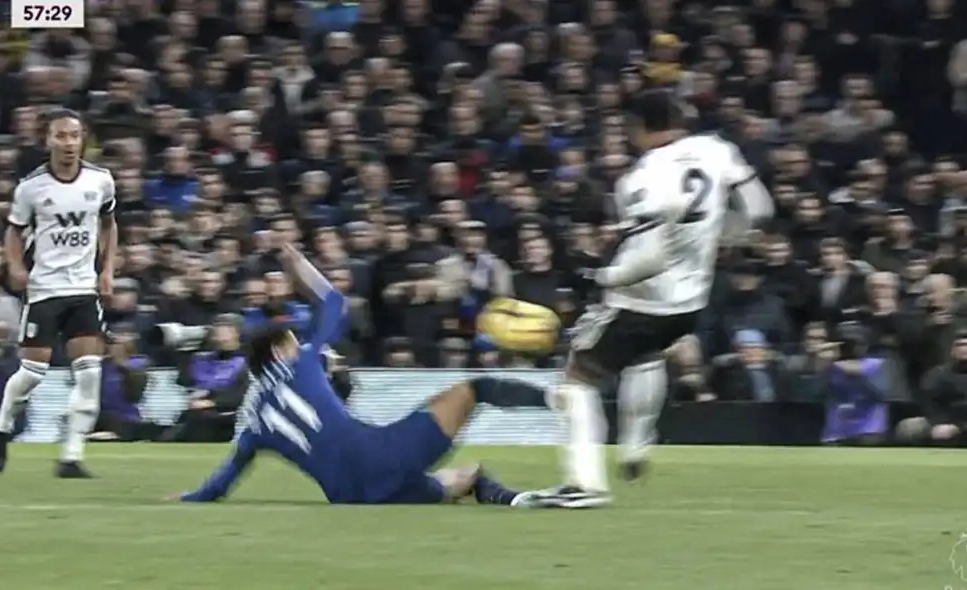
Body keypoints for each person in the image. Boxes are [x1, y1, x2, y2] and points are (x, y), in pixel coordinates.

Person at [173, 243, 550, 506]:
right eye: (292, 340)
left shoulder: (253, 425)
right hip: (383, 459)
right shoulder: (301, 362)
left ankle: (506, 495)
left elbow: (221, 484)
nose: (299, 343)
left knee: (459, 478)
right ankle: (555, 399)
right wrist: (299, 264)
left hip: (350, 495)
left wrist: (189, 497)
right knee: (475, 389)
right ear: (279, 351)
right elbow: (334, 302)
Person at [539, 90, 775, 508]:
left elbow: (649, 257)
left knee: (575, 380)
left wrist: (601, 276)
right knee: (647, 357)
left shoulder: (643, 176)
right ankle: (634, 447)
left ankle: (585, 485)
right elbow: (759, 209)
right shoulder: (715, 148)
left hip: (640, 298)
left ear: (639, 126)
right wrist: (722, 238)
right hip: (690, 300)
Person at [0, 109, 117, 478]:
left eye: (74, 135)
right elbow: (14, 231)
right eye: (60, 135)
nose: (68, 142)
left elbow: (109, 223)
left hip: (82, 290)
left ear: (83, 139)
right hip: (45, 289)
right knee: (31, 373)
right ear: (48, 140)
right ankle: (2, 425)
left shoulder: (101, 181)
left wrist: (106, 269)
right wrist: (15, 266)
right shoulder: (31, 187)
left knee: (90, 373)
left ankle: (71, 456)